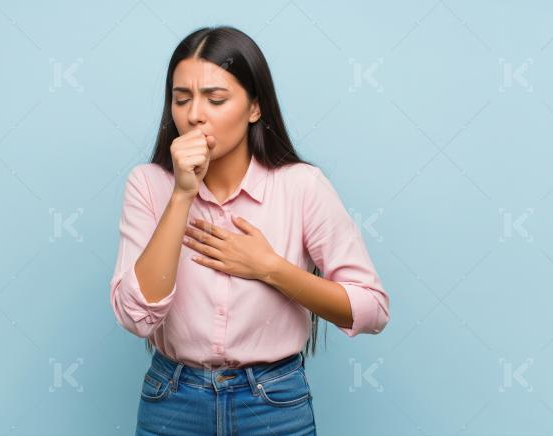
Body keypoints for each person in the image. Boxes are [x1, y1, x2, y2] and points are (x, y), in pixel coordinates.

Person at [109, 25, 391, 435]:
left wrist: (269, 269)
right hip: (172, 399)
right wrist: (182, 196)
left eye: (216, 99)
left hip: (273, 401)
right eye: (181, 98)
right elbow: (136, 317)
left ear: (255, 107)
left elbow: (372, 309)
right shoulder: (148, 185)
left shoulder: (301, 186)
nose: (194, 115)